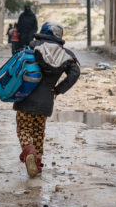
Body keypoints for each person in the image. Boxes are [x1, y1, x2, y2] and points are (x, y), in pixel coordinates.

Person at [14, 21, 79, 177]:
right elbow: (75, 73)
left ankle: (28, 150)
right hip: (46, 102)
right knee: (38, 132)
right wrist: (58, 89)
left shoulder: (33, 46)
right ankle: (37, 162)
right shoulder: (67, 55)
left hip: (25, 98)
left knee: (23, 128)